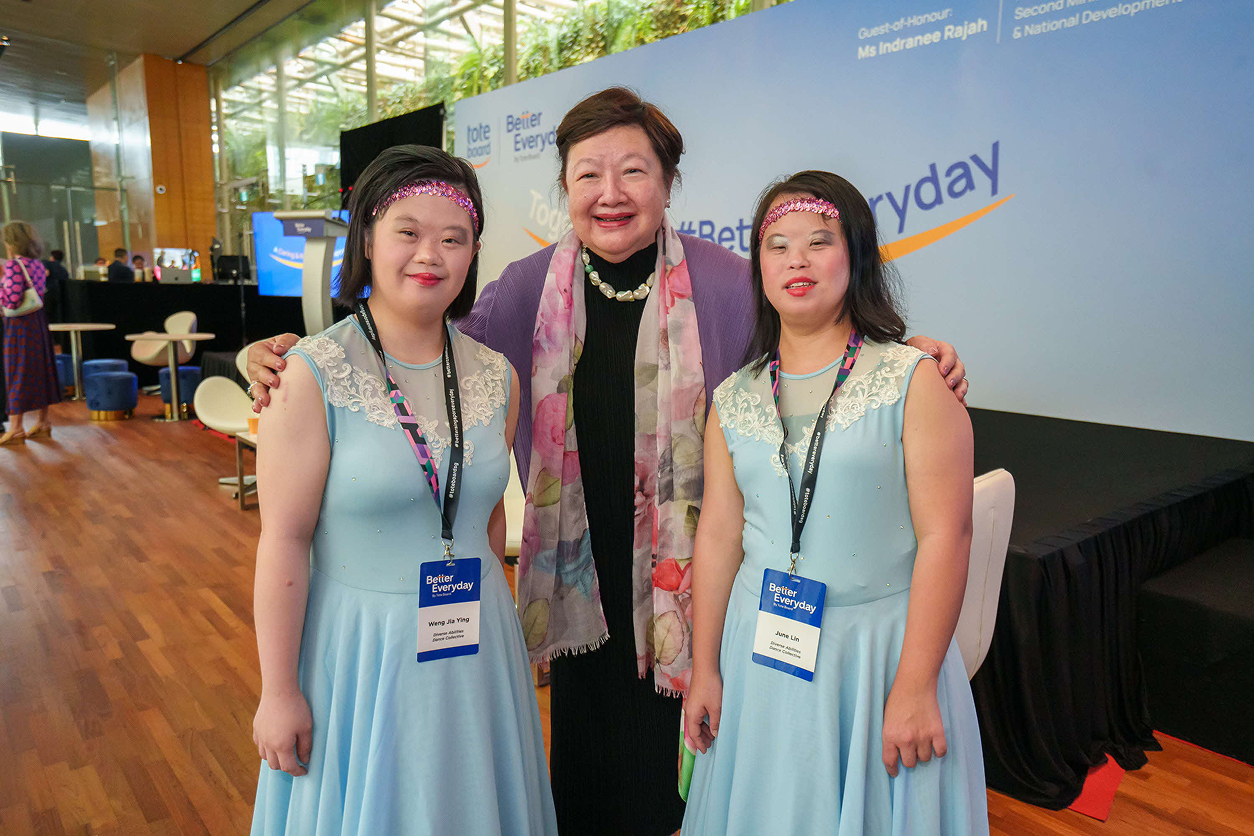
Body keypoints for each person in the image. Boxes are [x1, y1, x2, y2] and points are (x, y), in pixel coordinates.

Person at [247, 88, 968, 836]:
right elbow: (420, 349)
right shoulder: (523, 291)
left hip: (690, 591)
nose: (611, 194)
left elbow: (816, 351)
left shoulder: (729, 283)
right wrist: (270, 357)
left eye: (634, 171)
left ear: (668, 183)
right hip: (576, 591)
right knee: (584, 781)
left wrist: (908, 352)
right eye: (588, 174)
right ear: (564, 187)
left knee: (678, 787)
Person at [249, 145, 557, 835]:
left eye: (454, 238)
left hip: (476, 647)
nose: (431, 254)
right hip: (361, 653)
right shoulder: (309, 374)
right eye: (408, 232)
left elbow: (478, 519)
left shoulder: (495, 375)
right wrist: (278, 691)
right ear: (366, 239)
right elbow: (284, 543)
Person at [681, 172, 987, 834]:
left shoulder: (913, 378)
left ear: (856, 254)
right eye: (777, 244)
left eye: (820, 241)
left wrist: (914, 685)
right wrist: (704, 667)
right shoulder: (734, 397)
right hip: (759, 654)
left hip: (878, 658)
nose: (796, 259)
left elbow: (948, 537)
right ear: (757, 263)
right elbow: (718, 539)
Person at [1, 221, 60, 444]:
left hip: (19, 325)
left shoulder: (14, 266)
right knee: (40, 369)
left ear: (11, 242)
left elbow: (13, 300)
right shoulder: (36, 264)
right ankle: (43, 421)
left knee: (17, 371)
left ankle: (16, 427)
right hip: (37, 321)